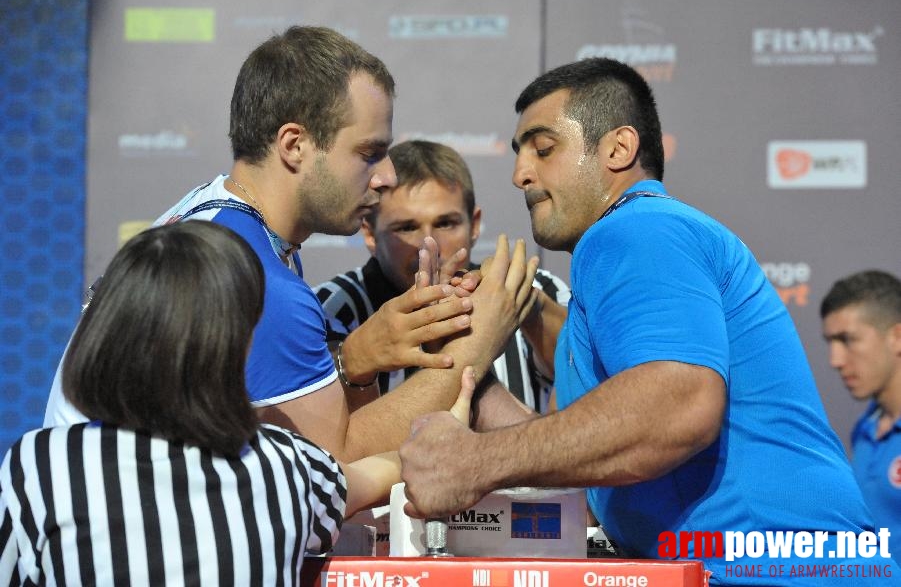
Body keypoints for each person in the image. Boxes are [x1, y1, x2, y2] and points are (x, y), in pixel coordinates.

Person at [399, 57, 892, 585]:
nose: (520, 173)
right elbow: (577, 452)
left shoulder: (636, 230)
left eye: (543, 148)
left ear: (617, 148)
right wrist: (464, 361)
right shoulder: (634, 243)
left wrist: (476, 463)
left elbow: (677, 406)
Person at [43, 26, 538, 463]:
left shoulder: (221, 219)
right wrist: (476, 345)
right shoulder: (254, 276)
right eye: (370, 153)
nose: (387, 176)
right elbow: (331, 470)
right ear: (294, 145)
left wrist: (355, 360)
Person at [0, 221, 476, 584]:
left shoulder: (41, 465)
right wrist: (450, 432)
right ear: (237, 344)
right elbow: (391, 468)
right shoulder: (285, 465)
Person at [315, 139, 570, 412]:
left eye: (446, 223)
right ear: (370, 234)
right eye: (406, 228)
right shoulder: (332, 309)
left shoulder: (542, 290)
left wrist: (525, 306)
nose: (429, 244)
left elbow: (593, 378)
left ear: (474, 225)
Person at [821, 269, 901, 562]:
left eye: (847, 340)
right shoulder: (865, 429)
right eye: (830, 342)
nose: (835, 360)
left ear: (897, 337)